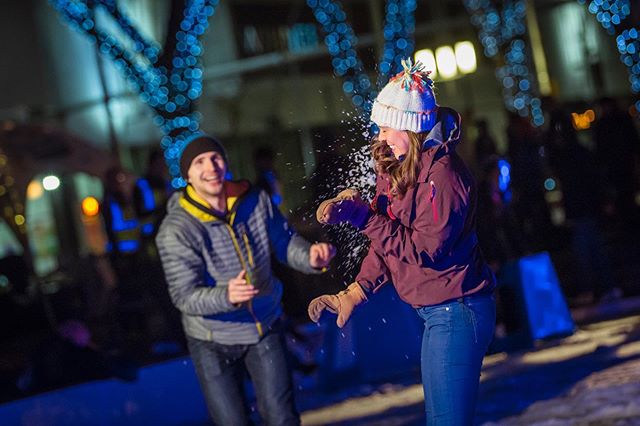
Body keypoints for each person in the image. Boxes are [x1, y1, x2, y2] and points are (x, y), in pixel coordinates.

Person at [310, 59, 496, 425]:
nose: (378, 135)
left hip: (458, 308)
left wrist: (363, 217)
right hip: (436, 311)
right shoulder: (398, 167)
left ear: (409, 127)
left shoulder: (443, 176)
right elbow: (388, 243)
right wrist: (356, 291)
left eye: (384, 127)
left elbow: (424, 250)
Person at [155, 134, 335, 425]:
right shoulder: (177, 230)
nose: (210, 167)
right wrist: (226, 296)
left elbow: (283, 241)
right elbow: (183, 295)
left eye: (215, 158)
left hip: (264, 324)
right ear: (187, 174)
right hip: (211, 337)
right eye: (199, 162)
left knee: (282, 416)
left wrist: (310, 257)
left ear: (225, 162)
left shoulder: (254, 200)